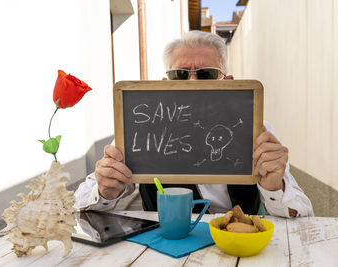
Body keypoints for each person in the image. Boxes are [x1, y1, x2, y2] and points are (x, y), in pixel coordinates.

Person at [74, 30, 314, 218]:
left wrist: (274, 188)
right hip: (161, 249)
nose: (191, 82)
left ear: (227, 82)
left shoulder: (256, 130)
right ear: (165, 82)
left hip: (235, 247)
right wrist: (105, 191)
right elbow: (80, 202)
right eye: (179, 74)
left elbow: (304, 212)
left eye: (206, 74)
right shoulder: (140, 128)